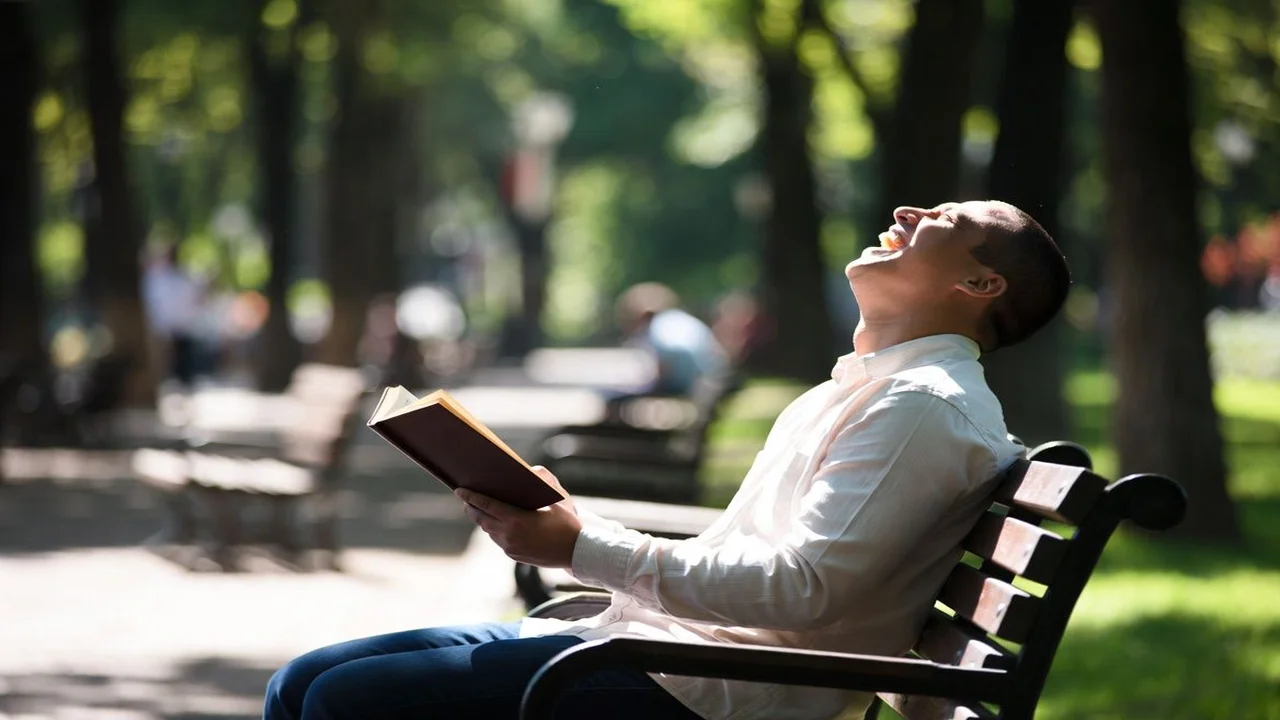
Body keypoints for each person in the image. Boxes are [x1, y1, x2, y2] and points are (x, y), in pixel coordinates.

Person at [263, 200, 1071, 720]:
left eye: (945, 218)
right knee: (300, 681)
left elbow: (803, 589)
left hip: (708, 694)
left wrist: (579, 546)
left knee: (341, 702)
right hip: (660, 651)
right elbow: (763, 563)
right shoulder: (873, 391)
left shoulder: (921, 407)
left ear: (978, 281)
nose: (907, 209)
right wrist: (573, 523)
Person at [614, 282, 730, 396]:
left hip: (694, 384)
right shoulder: (678, 318)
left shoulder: (658, 326)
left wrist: (658, 382)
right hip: (713, 376)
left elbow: (672, 352)